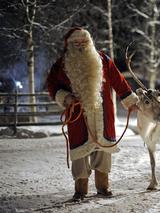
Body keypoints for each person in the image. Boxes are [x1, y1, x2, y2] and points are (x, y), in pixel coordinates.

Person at [47, 27, 138, 201]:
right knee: (80, 154)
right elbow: (52, 85)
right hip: (77, 115)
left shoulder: (103, 59)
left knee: (103, 150)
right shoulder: (61, 64)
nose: (80, 45)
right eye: (76, 42)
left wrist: (130, 101)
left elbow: (119, 81)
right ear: (69, 45)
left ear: (89, 42)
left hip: (102, 114)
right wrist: (64, 97)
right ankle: (80, 190)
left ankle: (103, 187)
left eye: (84, 42)